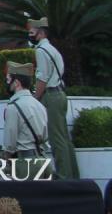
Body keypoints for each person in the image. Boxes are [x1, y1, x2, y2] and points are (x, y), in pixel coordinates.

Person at [29, 17, 78, 179]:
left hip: (51, 95)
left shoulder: (41, 51)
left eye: (32, 32)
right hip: (60, 93)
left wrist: (35, 98)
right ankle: (72, 174)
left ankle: (64, 176)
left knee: (56, 139)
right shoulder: (52, 49)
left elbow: (42, 78)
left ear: (41, 33)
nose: (30, 35)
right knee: (64, 137)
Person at [3, 60, 53, 178]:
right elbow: (45, 136)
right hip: (43, 160)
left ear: (16, 83)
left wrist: (7, 163)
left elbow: (9, 143)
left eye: (8, 79)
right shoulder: (39, 105)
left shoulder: (13, 107)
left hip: (25, 164)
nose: (7, 82)